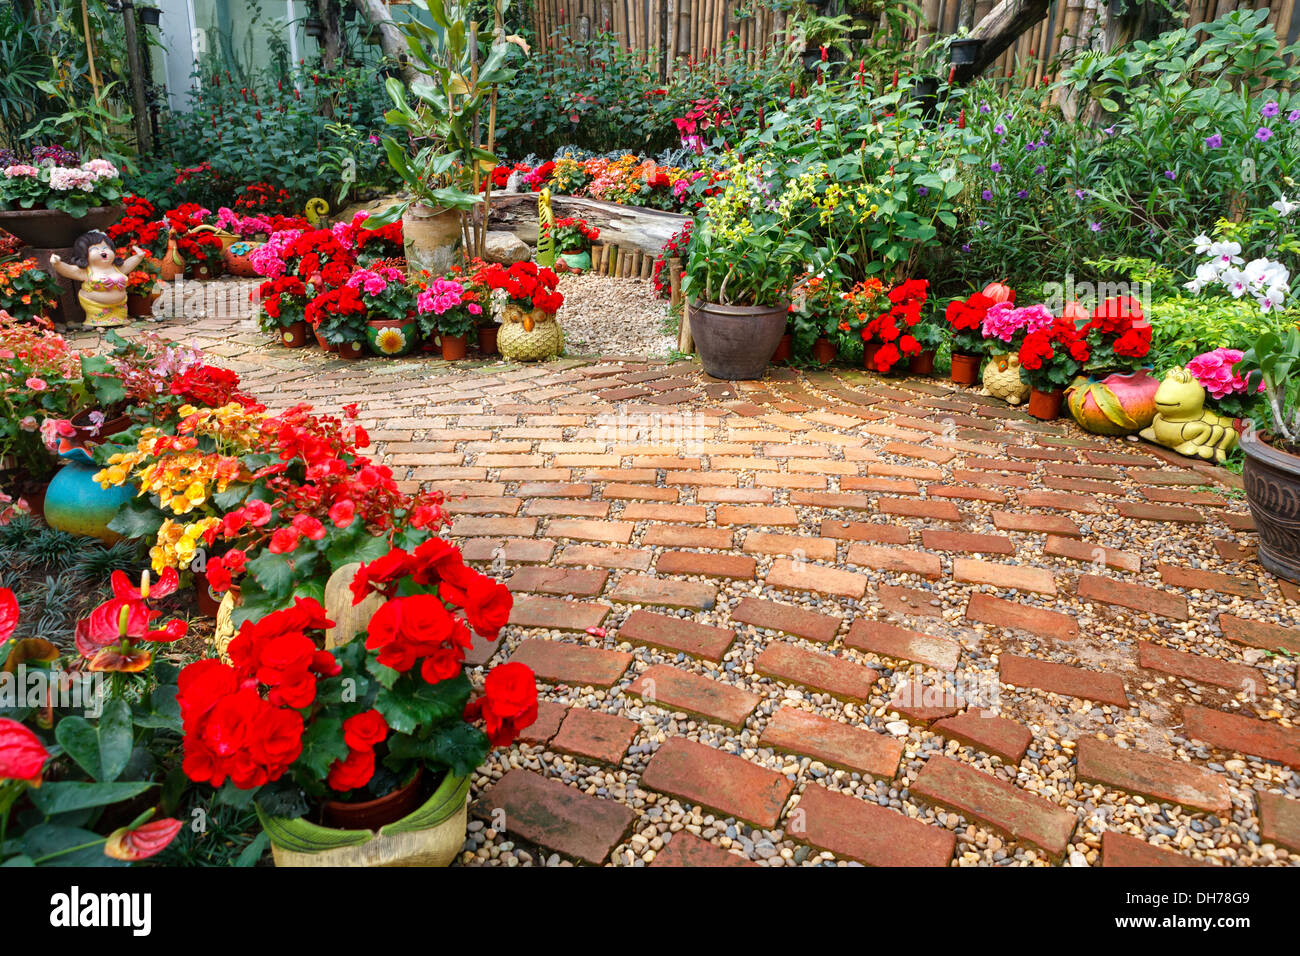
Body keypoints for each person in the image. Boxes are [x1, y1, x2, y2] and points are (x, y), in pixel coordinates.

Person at [49, 230, 147, 328]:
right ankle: (94, 322)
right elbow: (69, 270)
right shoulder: (87, 271)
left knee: (120, 315)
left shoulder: (116, 268)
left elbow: (128, 265)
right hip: (96, 307)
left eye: (106, 248)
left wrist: (138, 257)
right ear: (84, 254)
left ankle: (120, 319)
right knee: (95, 313)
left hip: (119, 306)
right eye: (95, 249)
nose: (103, 251)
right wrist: (58, 264)